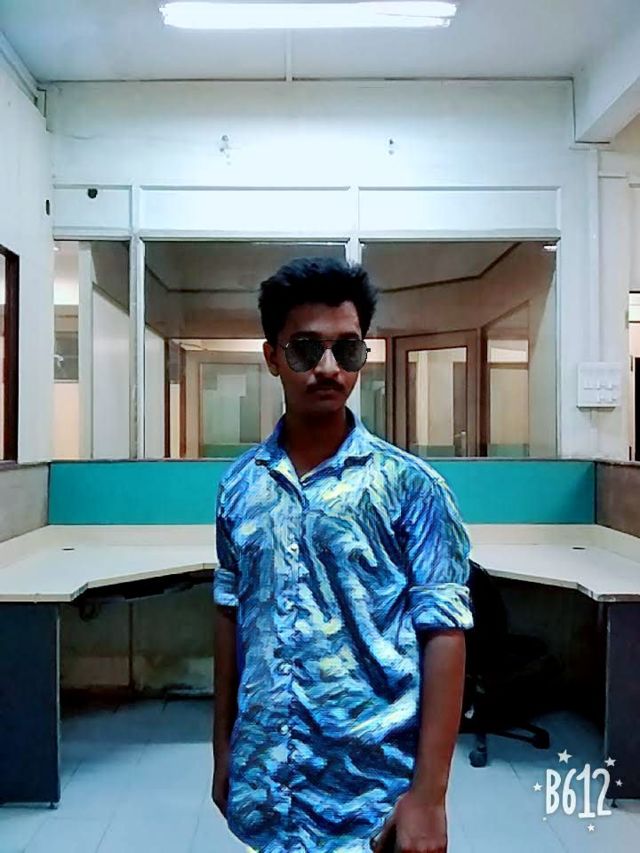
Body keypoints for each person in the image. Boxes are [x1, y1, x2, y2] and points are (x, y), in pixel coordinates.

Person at [212, 257, 474, 853]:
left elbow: (445, 634)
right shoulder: (240, 486)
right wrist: (224, 748)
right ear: (272, 356)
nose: (328, 368)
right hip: (268, 780)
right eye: (306, 349)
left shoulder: (410, 487)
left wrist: (429, 796)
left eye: (347, 350)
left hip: (371, 792)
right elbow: (231, 614)